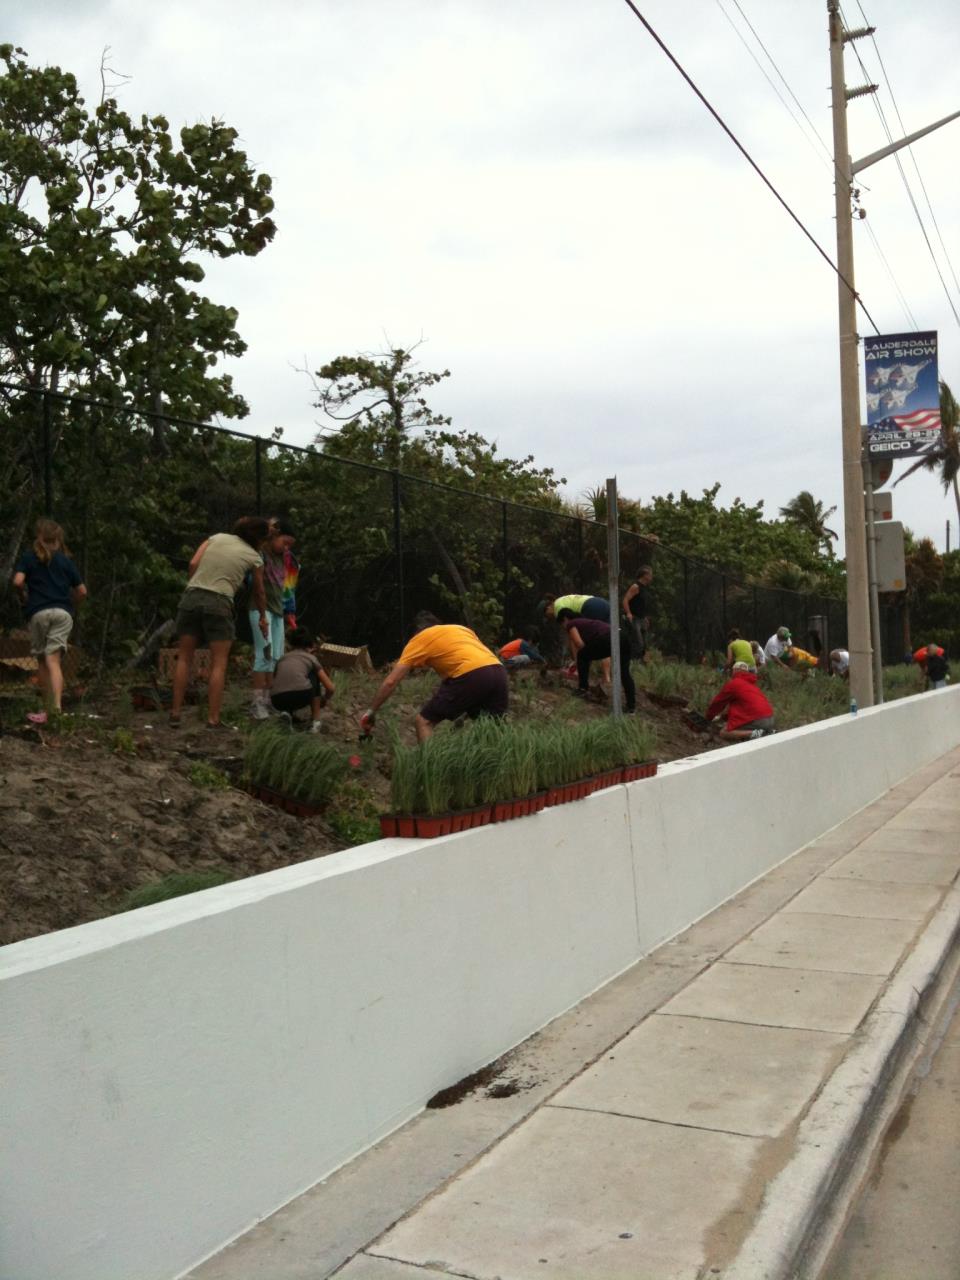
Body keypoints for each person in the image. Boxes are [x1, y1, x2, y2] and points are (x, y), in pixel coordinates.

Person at [170, 516, 271, 729]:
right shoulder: (256, 557)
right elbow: (259, 591)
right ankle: (213, 718)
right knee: (219, 663)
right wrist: (263, 616)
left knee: (184, 658)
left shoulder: (216, 538)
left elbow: (193, 563)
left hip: (191, 597)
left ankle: (175, 712)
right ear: (260, 539)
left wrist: (195, 585)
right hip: (219, 602)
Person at [361, 611, 508, 742]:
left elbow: (391, 682)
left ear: (417, 631)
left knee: (423, 722)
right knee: (493, 729)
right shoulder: (461, 629)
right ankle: (502, 770)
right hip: (498, 671)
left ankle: (431, 769)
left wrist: (371, 711)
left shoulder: (420, 639)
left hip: (471, 673)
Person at [12, 519, 87, 724]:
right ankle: (56, 710)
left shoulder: (29, 558)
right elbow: (82, 591)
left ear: (39, 538)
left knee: (43, 662)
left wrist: (23, 597)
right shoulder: (65, 561)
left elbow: (17, 581)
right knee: (54, 661)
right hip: (62, 614)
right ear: (58, 540)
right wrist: (70, 605)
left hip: (38, 613)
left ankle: (48, 709)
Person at [249, 519, 298, 720]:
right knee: (264, 654)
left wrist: (290, 612)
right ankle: (257, 702)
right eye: (284, 542)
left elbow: (289, 588)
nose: (286, 548)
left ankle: (270, 699)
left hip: (278, 611)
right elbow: (253, 582)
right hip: (260, 609)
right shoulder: (260, 554)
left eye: (290, 545)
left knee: (277, 657)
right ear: (274, 537)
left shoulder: (288, 559)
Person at [558, 608, 635, 711]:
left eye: (562, 624)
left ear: (565, 619)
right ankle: (631, 707)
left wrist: (579, 662)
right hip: (623, 637)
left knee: (582, 655)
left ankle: (582, 689)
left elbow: (579, 643)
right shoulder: (585, 622)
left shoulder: (571, 623)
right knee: (624, 673)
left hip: (609, 638)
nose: (564, 627)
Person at [269, 627, 335, 729]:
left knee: (289, 681)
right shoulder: (311, 658)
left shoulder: (283, 658)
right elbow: (330, 688)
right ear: (310, 646)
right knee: (313, 676)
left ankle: (286, 714)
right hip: (301, 695)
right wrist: (325, 699)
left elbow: (275, 681)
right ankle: (315, 721)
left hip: (276, 700)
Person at [705, 662, 776, 742]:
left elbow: (717, 703)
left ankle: (757, 733)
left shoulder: (734, 684)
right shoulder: (753, 686)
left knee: (724, 732)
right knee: (731, 725)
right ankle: (767, 731)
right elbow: (743, 707)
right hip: (770, 719)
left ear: (734, 671)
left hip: (758, 720)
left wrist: (708, 717)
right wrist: (723, 717)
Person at [622, 565, 654, 661]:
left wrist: (645, 618)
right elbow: (625, 600)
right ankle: (631, 662)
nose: (651, 577)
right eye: (650, 574)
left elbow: (641, 604)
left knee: (644, 644)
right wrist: (628, 613)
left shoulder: (644, 588)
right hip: (635, 619)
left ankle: (640, 666)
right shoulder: (636, 586)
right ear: (645, 575)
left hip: (641, 619)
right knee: (638, 643)